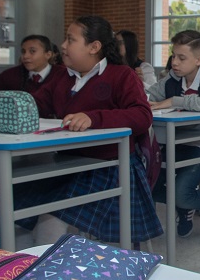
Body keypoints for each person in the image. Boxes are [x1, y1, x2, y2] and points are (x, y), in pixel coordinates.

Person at [14, 16, 162, 246]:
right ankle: (21, 272)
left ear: (94, 47)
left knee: (49, 221)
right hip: (66, 165)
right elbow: (35, 105)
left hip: (108, 168)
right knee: (19, 212)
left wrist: (93, 118)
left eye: (71, 40)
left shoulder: (121, 75)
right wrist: (13, 106)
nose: (63, 45)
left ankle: (51, 276)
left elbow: (142, 116)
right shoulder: (62, 76)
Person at [147, 30, 200, 242]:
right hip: (175, 143)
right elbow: (150, 95)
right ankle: (184, 208)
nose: (174, 62)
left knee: (180, 193)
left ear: (199, 60)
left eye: (181, 58)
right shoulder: (174, 77)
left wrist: (177, 101)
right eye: (174, 56)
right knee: (147, 185)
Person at [0, 35, 65, 96]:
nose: (25, 56)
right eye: (23, 52)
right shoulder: (11, 75)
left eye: (32, 51)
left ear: (48, 54)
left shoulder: (62, 75)